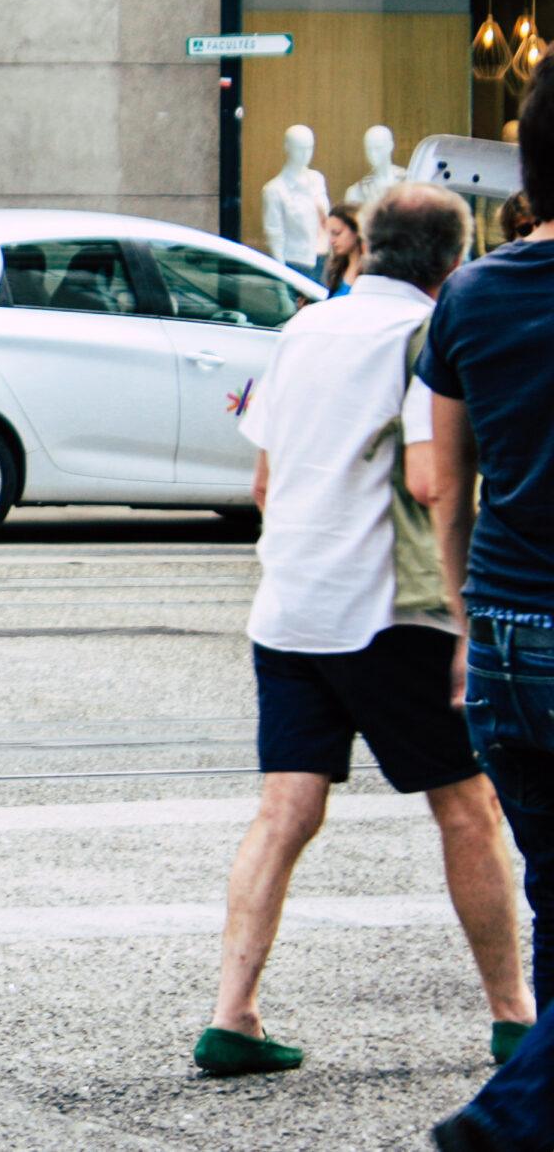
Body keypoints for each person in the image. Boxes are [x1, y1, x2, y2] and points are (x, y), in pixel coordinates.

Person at [195, 183, 531, 1079]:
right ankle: (514, 1016)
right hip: (389, 612)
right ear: (452, 262)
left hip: (290, 606)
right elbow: (433, 479)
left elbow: (264, 478)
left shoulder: (307, 326)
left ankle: (232, 1014)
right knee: (468, 805)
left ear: (365, 246)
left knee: (286, 809)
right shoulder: (422, 337)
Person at [427, 75, 554, 1152]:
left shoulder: (469, 295)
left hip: (506, 637)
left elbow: (444, 483)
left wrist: (470, 630)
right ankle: (504, 1124)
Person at [322, 202, 363, 296]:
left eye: (337, 233)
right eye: (331, 234)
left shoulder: (373, 271)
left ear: (356, 230)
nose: (332, 241)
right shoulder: (335, 269)